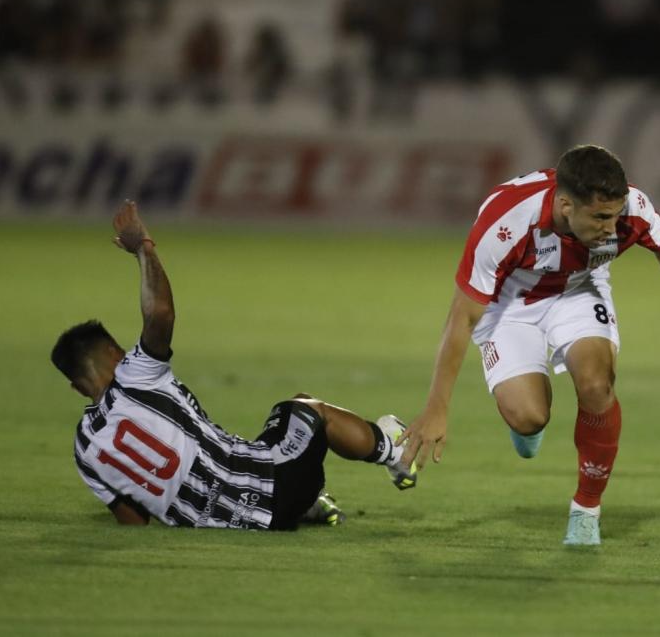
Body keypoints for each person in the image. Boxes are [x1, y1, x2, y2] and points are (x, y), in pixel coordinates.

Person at [398, 145, 660, 545]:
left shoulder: (630, 208)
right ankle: (526, 418)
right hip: (510, 304)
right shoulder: (507, 221)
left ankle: (586, 509)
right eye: (600, 217)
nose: (611, 226)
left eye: (615, 215)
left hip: (579, 289)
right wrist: (436, 409)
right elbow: (461, 317)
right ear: (566, 205)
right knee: (530, 416)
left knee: (597, 384)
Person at [51, 201, 417, 529]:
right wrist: (143, 248)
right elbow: (160, 313)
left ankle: (311, 507)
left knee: (261, 442)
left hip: (231, 521)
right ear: (117, 353)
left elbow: (133, 521)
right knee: (305, 409)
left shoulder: (85, 449)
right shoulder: (134, 374)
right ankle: (393, 451)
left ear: (78, 387)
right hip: (278, 486)